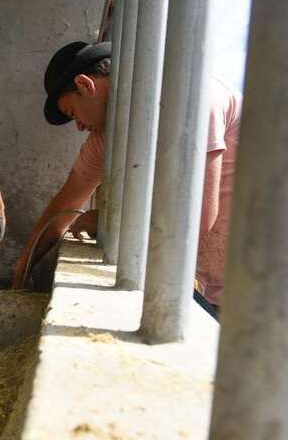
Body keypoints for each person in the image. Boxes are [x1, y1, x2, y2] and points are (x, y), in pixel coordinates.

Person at [12, 41, 241, 313]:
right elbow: (62, 208)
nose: (79, 126)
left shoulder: (191, 98)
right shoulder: (106, 137)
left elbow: (196, 220)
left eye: (73, 113)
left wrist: (109, 221)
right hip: (219, 290)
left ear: (85, 85)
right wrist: (19, 274)